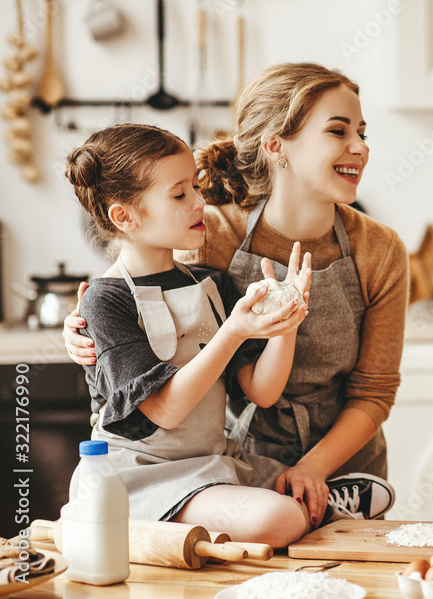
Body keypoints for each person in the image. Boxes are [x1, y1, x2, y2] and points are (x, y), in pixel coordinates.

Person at [63, 63, 407, 528]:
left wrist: (312, 469)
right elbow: (131, 279)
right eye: (338, 131)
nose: (361, 148)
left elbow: (373, 391)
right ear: (275, 146)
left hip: (336, 467)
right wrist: (81, 329)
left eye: (362, 132)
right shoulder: (208, 234)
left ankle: (321, 505)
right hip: (237, 466)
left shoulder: (380, 250)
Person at [66, 124, 311, 546]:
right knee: (282, 518)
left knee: (303, 496)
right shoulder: (104, 301)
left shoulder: (211, 283)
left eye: (195, 187)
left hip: (213, 465)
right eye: (180, 194)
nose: (199, 201)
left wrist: (284, 323)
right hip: (139, 476)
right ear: (124, 216)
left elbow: (262, 391)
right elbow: (165, 411)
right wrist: (233, 331)